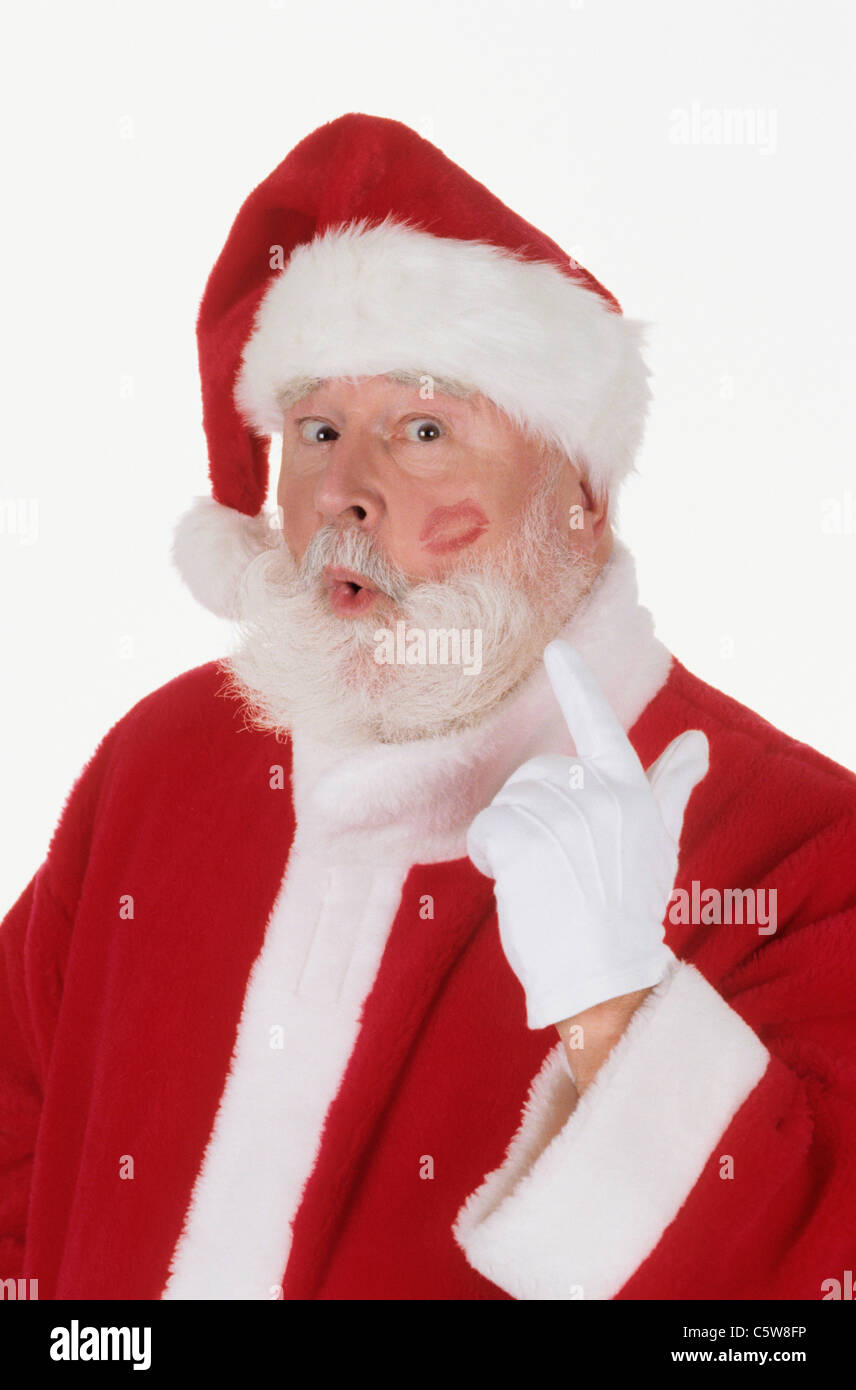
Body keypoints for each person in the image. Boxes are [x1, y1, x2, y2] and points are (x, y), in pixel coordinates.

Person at [1, 112, 854, 1302]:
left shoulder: (806, 848)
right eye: (317, 431)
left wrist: (616, 1011)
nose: (347, 492)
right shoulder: (164, 762)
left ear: (578, 499)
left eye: (422, 429)